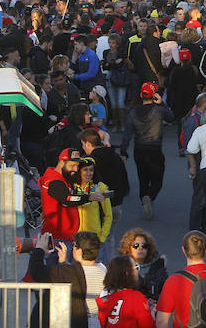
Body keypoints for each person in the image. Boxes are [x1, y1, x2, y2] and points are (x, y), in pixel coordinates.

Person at [27, 232, 99, 328]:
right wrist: (64, 264)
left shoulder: (68, 273)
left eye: (75, 245)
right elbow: (79, 273)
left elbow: (37, 271)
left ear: (79, 251)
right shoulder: (103, 270)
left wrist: (39, 249)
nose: (73, 248)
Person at [121, 81, 174, 220]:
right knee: (157, 179)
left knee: (143, 178)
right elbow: (171, 117)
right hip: (154, 148)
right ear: (154, 95)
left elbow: (127, 133)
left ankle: (144, 197)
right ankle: (149, 197)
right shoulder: (159, 110)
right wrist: (162, 103)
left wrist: (123, 151)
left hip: (139, 149)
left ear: (141, 95)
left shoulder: (133, 112)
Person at [40, 148, 106, 252]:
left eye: (77, 166)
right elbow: (67, 199)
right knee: (57, 267)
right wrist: (90, 197)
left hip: (65, 237)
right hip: (57, 238)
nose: (75, 169)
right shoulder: (54, 181)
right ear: (62, 162)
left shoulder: (62, 177)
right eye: (72, 165)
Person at [97, 255, 156, 328]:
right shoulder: (136, 297)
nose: (138, 271)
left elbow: (105, 325)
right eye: (136, 267)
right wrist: (153, 314)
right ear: (127, 273)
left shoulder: (104, 298)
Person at [74, 156, 113, 262]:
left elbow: (108, 215)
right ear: (79, 171)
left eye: (91, 170)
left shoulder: (100, 188)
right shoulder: (72, 188)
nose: (88, 173)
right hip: (76, 239)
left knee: (99, 273)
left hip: (94, 239)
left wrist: (102, 238)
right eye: (85, 170)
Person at [118, 228, 169, 303]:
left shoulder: (158, 267)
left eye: (144, 245)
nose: (140, 248)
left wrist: (155, 301)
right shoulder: (120, 267)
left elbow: (165, 293)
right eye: (136, 245)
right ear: (128, 248)